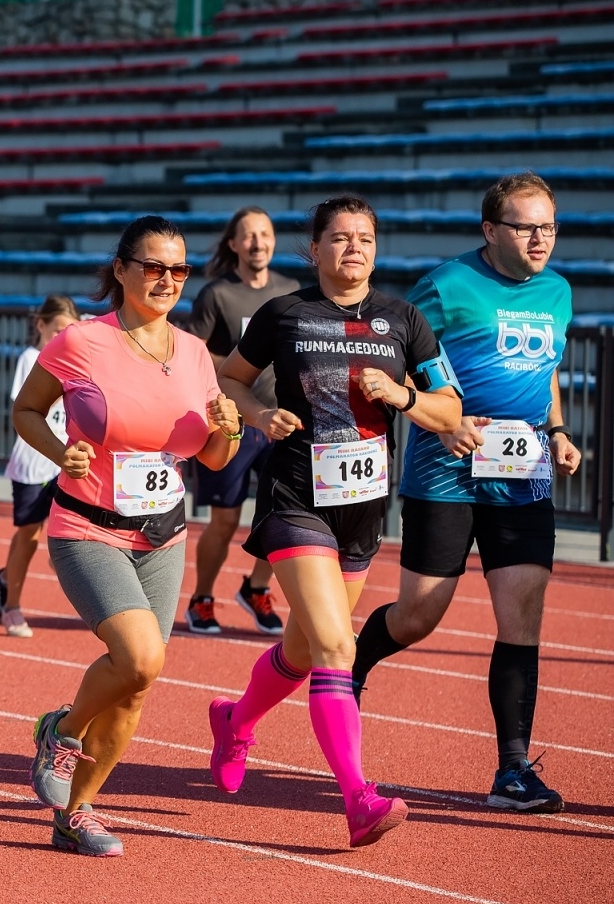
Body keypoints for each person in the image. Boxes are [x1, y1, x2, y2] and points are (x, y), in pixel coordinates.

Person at [207, 195, 462, 849]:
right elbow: (230, 380)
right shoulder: (284, 316)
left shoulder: (404, 321)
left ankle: (235, 720)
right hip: (296, 500)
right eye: (341, 238)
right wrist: (260, 416)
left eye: (366, 238)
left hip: (363, 511)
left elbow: (450, 412)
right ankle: (359, 798)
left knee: (300, 648)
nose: (354, 248)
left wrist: (404, 395)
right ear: (314, 250)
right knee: (336, 650)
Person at [352, 172, 578, 814]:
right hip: (446, 469)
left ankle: (512, 770)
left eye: (550, 227)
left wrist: (557, 430)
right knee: (420, 616)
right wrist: (443, 418)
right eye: (527, 227)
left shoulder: (558, 292)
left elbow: (548, 369)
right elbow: (405, 359)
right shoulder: (447, 285)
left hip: (523, 471)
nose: (541, 239)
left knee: (522, 616)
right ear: (490, 230)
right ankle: (351, 668)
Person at [23, 216, 242, 858]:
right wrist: (62, 452)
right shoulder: (81, 342)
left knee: (137, 683)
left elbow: (215, 457)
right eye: (153, 267)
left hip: (164, 534)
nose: (167, 280)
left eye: (178, 270)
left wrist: (228, 428)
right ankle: (61, 732)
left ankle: (77, 813)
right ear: (120, 270)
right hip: (87, 526)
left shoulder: (195, 352)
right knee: (140, 657)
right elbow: (27, 410)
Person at [184, 207, 300, 635]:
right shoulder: (217, 295)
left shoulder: (290, 293)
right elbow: (195, 354)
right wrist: (241, 362)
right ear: (233, 244)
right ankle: (202, 598)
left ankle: (255, 588)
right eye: (248, 235)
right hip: (233, 422)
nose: (258, 242)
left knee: (284, 516)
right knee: (225, 520)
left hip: (281, 422)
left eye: (265, 234)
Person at [0, 294, 81, 638]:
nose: (63, 338)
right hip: (35, 459)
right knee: (28, 535)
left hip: (69, 458)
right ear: (41, 326)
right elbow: (28, 407)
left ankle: (64, 562)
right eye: (57, 330)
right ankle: (12, 602)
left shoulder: (80, 359)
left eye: (69, 332)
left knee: (76, 527)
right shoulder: (31, 358)